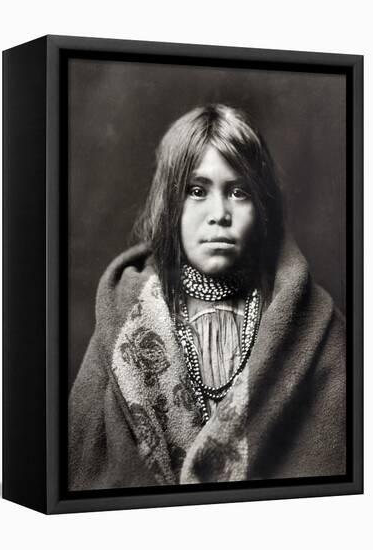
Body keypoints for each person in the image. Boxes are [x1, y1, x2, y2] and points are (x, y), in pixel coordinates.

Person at [68, 104, 346, 490]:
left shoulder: (314, 324)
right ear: (170, 205)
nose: (219, 213)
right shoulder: (124, 319)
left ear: (261, 206)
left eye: (238, 192)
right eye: (197, 191)